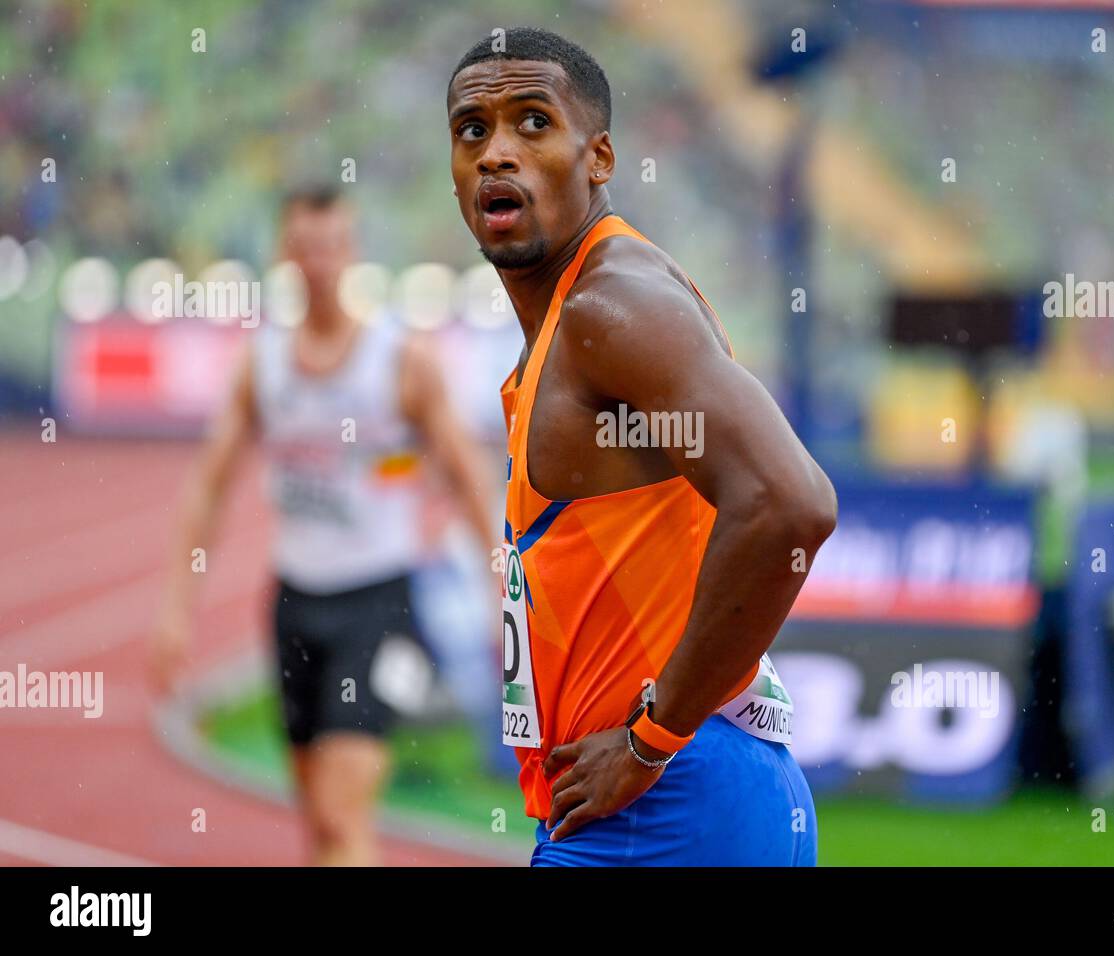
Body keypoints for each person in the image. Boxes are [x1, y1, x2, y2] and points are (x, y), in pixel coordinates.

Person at [446, 27, 838, 866]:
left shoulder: (610, 308)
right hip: (648, 806)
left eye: (532, 122)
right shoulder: (567, 320)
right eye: (472, 130)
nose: (495, 153)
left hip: (667, 810)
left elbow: (791, 506)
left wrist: (649, 739)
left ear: (600, 158)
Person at [152, 185, 498, 866]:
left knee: (343, 814)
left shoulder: (400, 360)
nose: (317, 262)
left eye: (331, 246)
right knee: (318, 824)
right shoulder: (264, 364)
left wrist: (500, 595)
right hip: (294, 605)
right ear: (284, 253)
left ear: (352, 252)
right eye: (303, 247)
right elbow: (208, 486)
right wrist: (175, 610)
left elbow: (470, 476)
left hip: (381, 606)